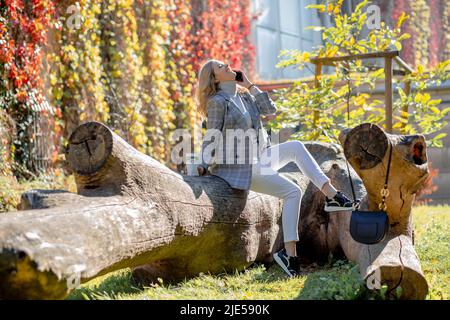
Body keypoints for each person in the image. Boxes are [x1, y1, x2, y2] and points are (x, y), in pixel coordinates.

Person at [195, 59, 357, 277]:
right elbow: (212, 135)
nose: (227, 66)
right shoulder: (218, 101)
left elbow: (270, 109)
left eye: (225, 63)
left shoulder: (243, 95)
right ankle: (289, 255)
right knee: (293, 191)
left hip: (261, 156)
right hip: (240, 166)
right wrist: (203, 164)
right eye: (220, 67)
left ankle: (332, 195)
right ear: (214, 79)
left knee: (296, 147)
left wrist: (250, 85)